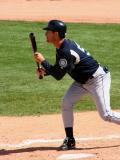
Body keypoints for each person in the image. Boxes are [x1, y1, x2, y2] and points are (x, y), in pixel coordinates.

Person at [34, 19, 120, 151]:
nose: (46, 34)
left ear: (56, 34)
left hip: (97, 79)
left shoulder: (65, 51)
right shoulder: (61, 46)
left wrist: (43, 61)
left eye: (48, 32)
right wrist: (45, 72)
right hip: (81, 81)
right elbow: (61, 69)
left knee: (106, 115)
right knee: (66, 103)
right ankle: (70, 140)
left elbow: (58, 75)